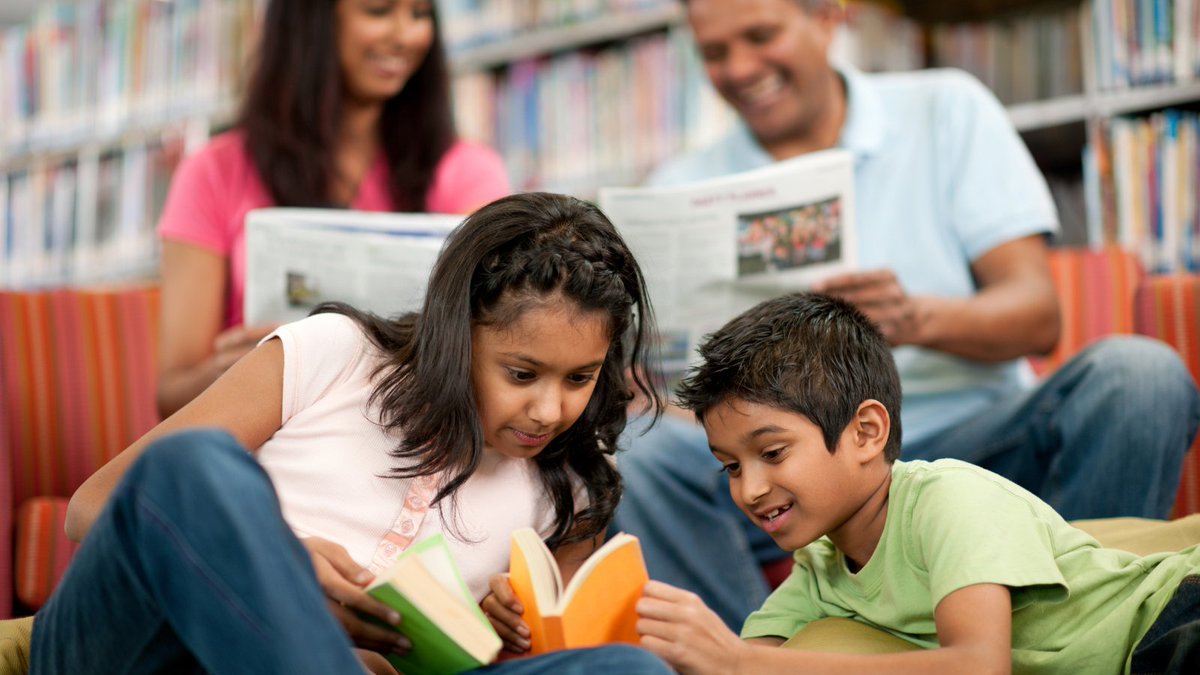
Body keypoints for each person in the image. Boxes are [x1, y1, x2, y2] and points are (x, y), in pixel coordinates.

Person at [613, 0, 1200, 631]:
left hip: (969, 443)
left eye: (761, 35)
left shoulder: (947, 110)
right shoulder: (680, 181)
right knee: (632, 451)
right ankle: (747, 659)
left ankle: (1078, 627)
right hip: (783, 464)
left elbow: (1038, 316)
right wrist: (647, 397)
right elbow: (668, 388)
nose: (740, 67)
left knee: (1138, 376)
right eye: (714, 52)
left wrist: (914, 319)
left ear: (831, 14)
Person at [32, 193, 669, 675]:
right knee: (192, 464)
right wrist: (274, 559)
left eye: (579, 377)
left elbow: (524, 650)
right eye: (521, 373)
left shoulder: (575, 482)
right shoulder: (335, 353)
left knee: (627, 669)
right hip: (155, 647)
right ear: (456, 334)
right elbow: (90, 509)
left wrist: (501, 632)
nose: (549, 410)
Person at [635, 292, 1200, 674]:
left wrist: (739, 661)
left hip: (1167, 620)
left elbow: (979, 664)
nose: (750, 489)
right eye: (731, 466)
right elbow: (740, 659)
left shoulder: (948, 498)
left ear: (866, 433)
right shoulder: (820, 569)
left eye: (772, 452)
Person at [155, 0, 510, 417]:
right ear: (310, 22)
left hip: (408, 439)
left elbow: (496, 349)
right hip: (267, 435)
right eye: (378, 11)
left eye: (419, 15)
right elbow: (171, 396)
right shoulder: (213, 173)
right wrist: (235, 369)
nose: (405, 35)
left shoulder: (470, 172)